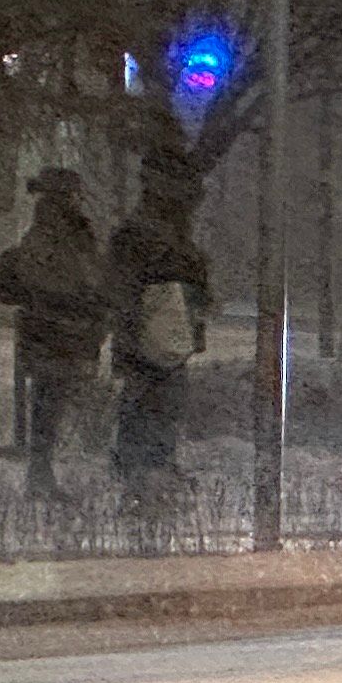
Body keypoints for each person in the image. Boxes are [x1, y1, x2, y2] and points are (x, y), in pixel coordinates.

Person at [0, 166, 114, 498]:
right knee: (49, 403)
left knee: (50, 403)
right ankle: (40, 475)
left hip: (57, 331)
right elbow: (61, 278)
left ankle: (41, 473)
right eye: (73, 194)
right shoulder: (54, 234)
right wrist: (87, 301)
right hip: (55, 331)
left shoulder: (62, 232)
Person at [107, 153, 216, 478]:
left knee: (163, 400)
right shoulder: (141, 231)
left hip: (164, 326)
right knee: (144, 400)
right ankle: (135, 467)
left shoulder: (168, 229)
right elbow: (126, 284)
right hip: (147, 325)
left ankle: (153, 464)